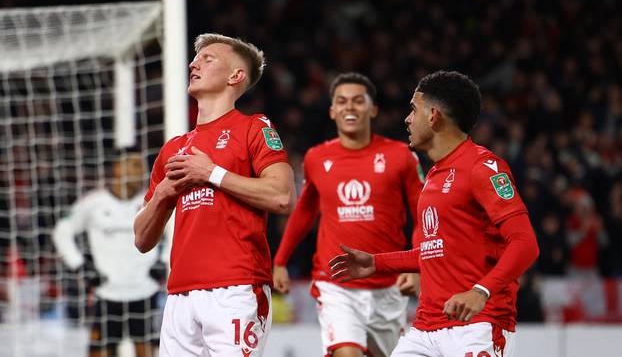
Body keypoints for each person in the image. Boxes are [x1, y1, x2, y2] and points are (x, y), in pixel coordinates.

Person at [330, 70, 539, 357]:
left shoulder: (483, 167)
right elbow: (436, 251)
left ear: (434, 116)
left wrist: (481, 291)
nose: (407, 118)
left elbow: (525, 243)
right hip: (426, 330)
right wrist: (377, 263)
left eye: (414, 109)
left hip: (477, 326)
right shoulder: (434, 176)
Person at [133, 33, 296, 357]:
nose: (194, 63)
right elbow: (141, 239)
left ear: (236, 76)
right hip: (179, 294)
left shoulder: (254, 127)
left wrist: (212, 174)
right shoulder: (172, 149)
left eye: (208, 59)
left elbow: (282, 196)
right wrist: (164, 193)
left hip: (236, 286)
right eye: (196, 59)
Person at [273, 72, 425, 357]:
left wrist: (415, 265)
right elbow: (305, 210)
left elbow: (424, 213)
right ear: (332, 111)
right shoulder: (317, 158)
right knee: (347, 353)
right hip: (336, 283)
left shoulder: (401, 156)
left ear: (373, 109)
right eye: (341, 102)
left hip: (388, 286)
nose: (349, 107)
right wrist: (280, 260)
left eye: (358, 101)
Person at [53, 153, 165, 357]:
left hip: (144, 291)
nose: (141, 171)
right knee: (100, 352)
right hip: (107, 292)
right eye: (134, 165)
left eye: (141, 166)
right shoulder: (93, 203)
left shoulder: (151, 200)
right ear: (117, 169)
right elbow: (62, 231)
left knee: (147, 351)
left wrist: (164, 262)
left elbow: (175, 229)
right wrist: (80, 266)